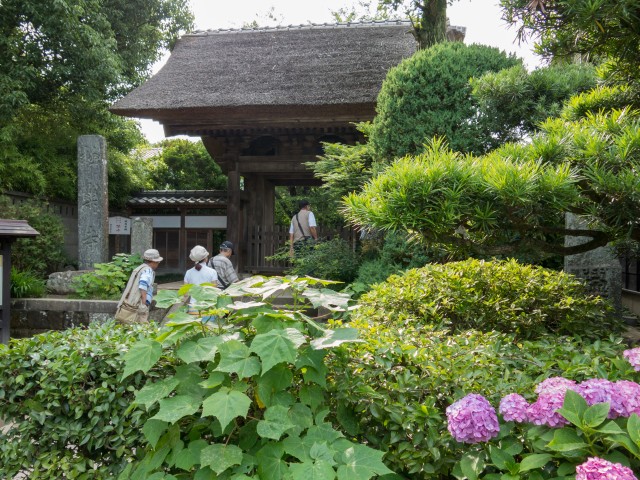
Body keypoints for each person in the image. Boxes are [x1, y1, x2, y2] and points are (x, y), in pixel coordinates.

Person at [116, 248, 163, 323]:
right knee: (142, 327)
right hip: (138, 304)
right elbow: (143, 285)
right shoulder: (148, 270)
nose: (158, 263)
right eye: (157, 262)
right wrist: (144, 303)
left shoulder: (140, 268)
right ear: (153, 261)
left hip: (130, 303)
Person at [184, 245, 218, 318]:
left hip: (193, 307)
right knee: (209, 328)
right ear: (205, 258)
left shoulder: (188, 272)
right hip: (208, 307)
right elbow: (214, 291)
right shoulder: (212, 272)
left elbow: (185, 293)